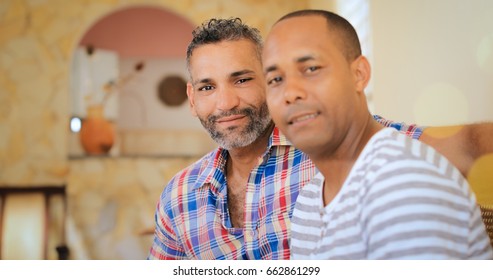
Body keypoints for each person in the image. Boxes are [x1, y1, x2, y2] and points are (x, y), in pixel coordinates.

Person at [148, 17, 492, 260]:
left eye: (241, 80)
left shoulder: (335, 147)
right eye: (208, 87)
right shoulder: (178, 198)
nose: (226, 103)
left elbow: (462, 146)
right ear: (192, 99)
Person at [262, 9, 493, 259]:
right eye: (275, 79)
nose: (290, 92)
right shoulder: (309, 200)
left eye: (311, 68)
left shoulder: (403, 183)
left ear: (359, 74)